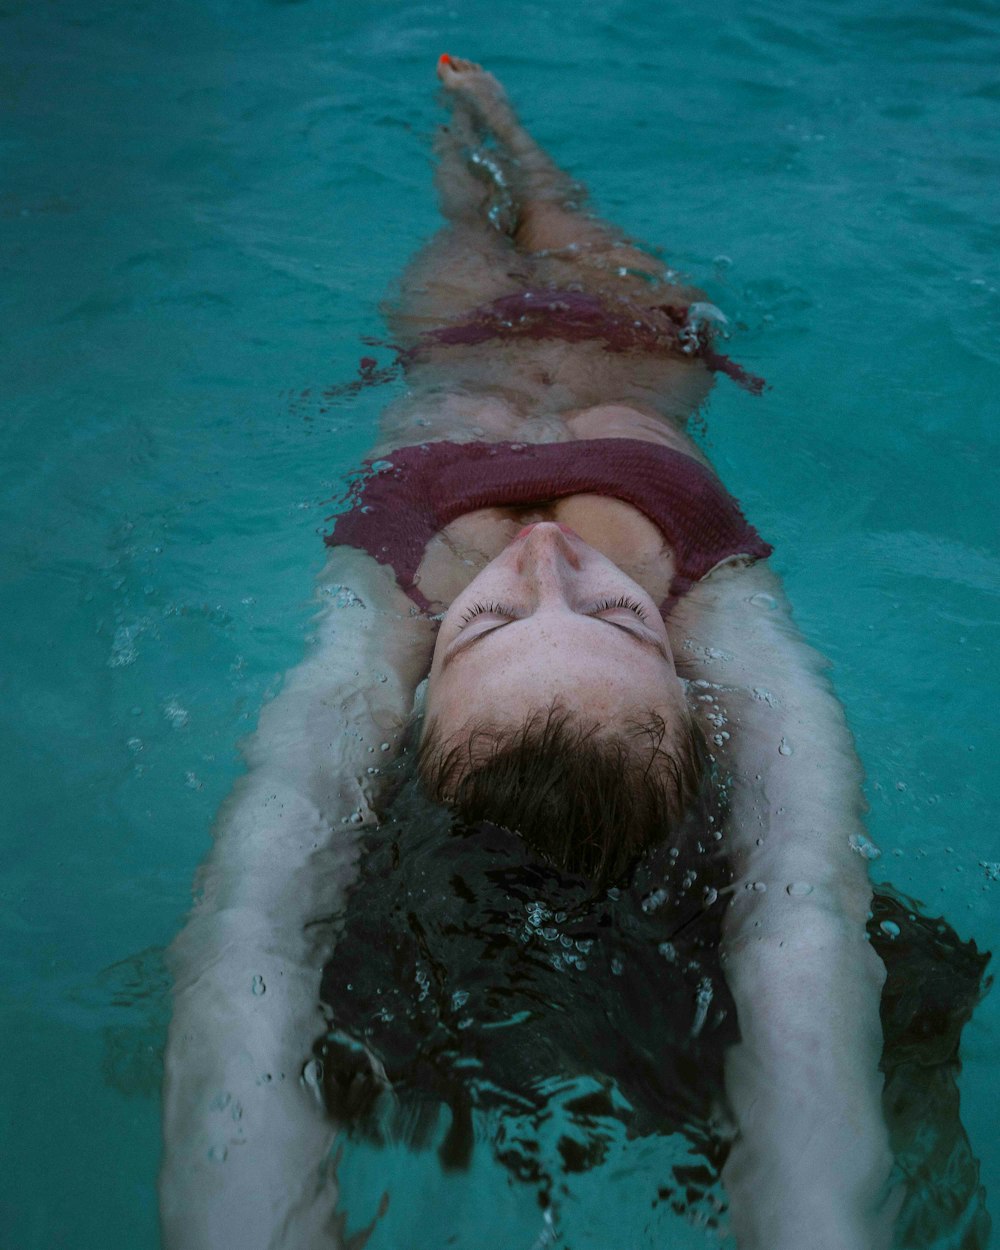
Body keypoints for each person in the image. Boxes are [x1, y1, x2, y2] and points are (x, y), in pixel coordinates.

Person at [160, 57, 988, 1250]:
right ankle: (510, 133)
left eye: (489, 623)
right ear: (686, 675)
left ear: (424, 683)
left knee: (464, 223)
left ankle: (471, 140)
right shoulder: (716, 599)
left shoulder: (381, 612)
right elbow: (801, 901)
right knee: (560, 209)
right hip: (636, 343)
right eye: (615, 619)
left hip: (460, 352)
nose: (546, 561)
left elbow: (256, 908)